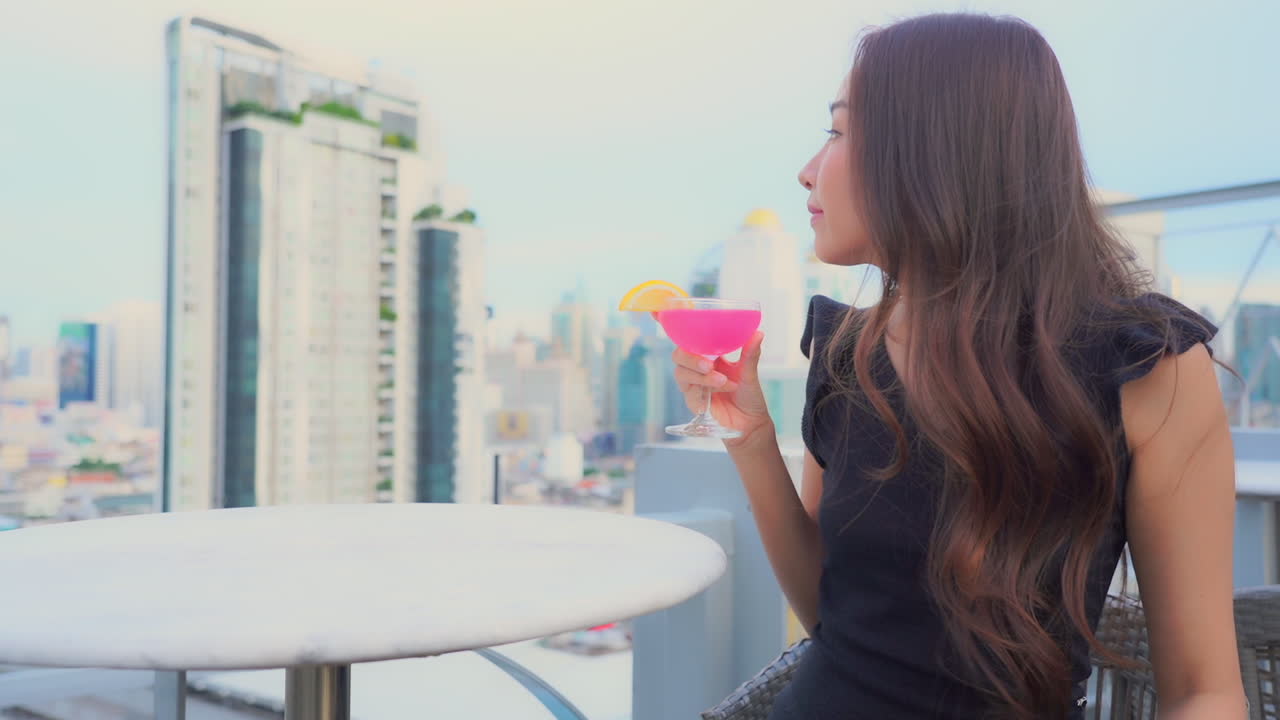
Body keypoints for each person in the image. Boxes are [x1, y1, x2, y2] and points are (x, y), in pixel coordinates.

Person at [670, 13, 1246, 720]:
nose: (808, 169)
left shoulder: (1145, 368)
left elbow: (1204, 691)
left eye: (839, 131)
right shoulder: (846, 353)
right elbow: (833, 614)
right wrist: (753, 441)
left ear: (932, 152)